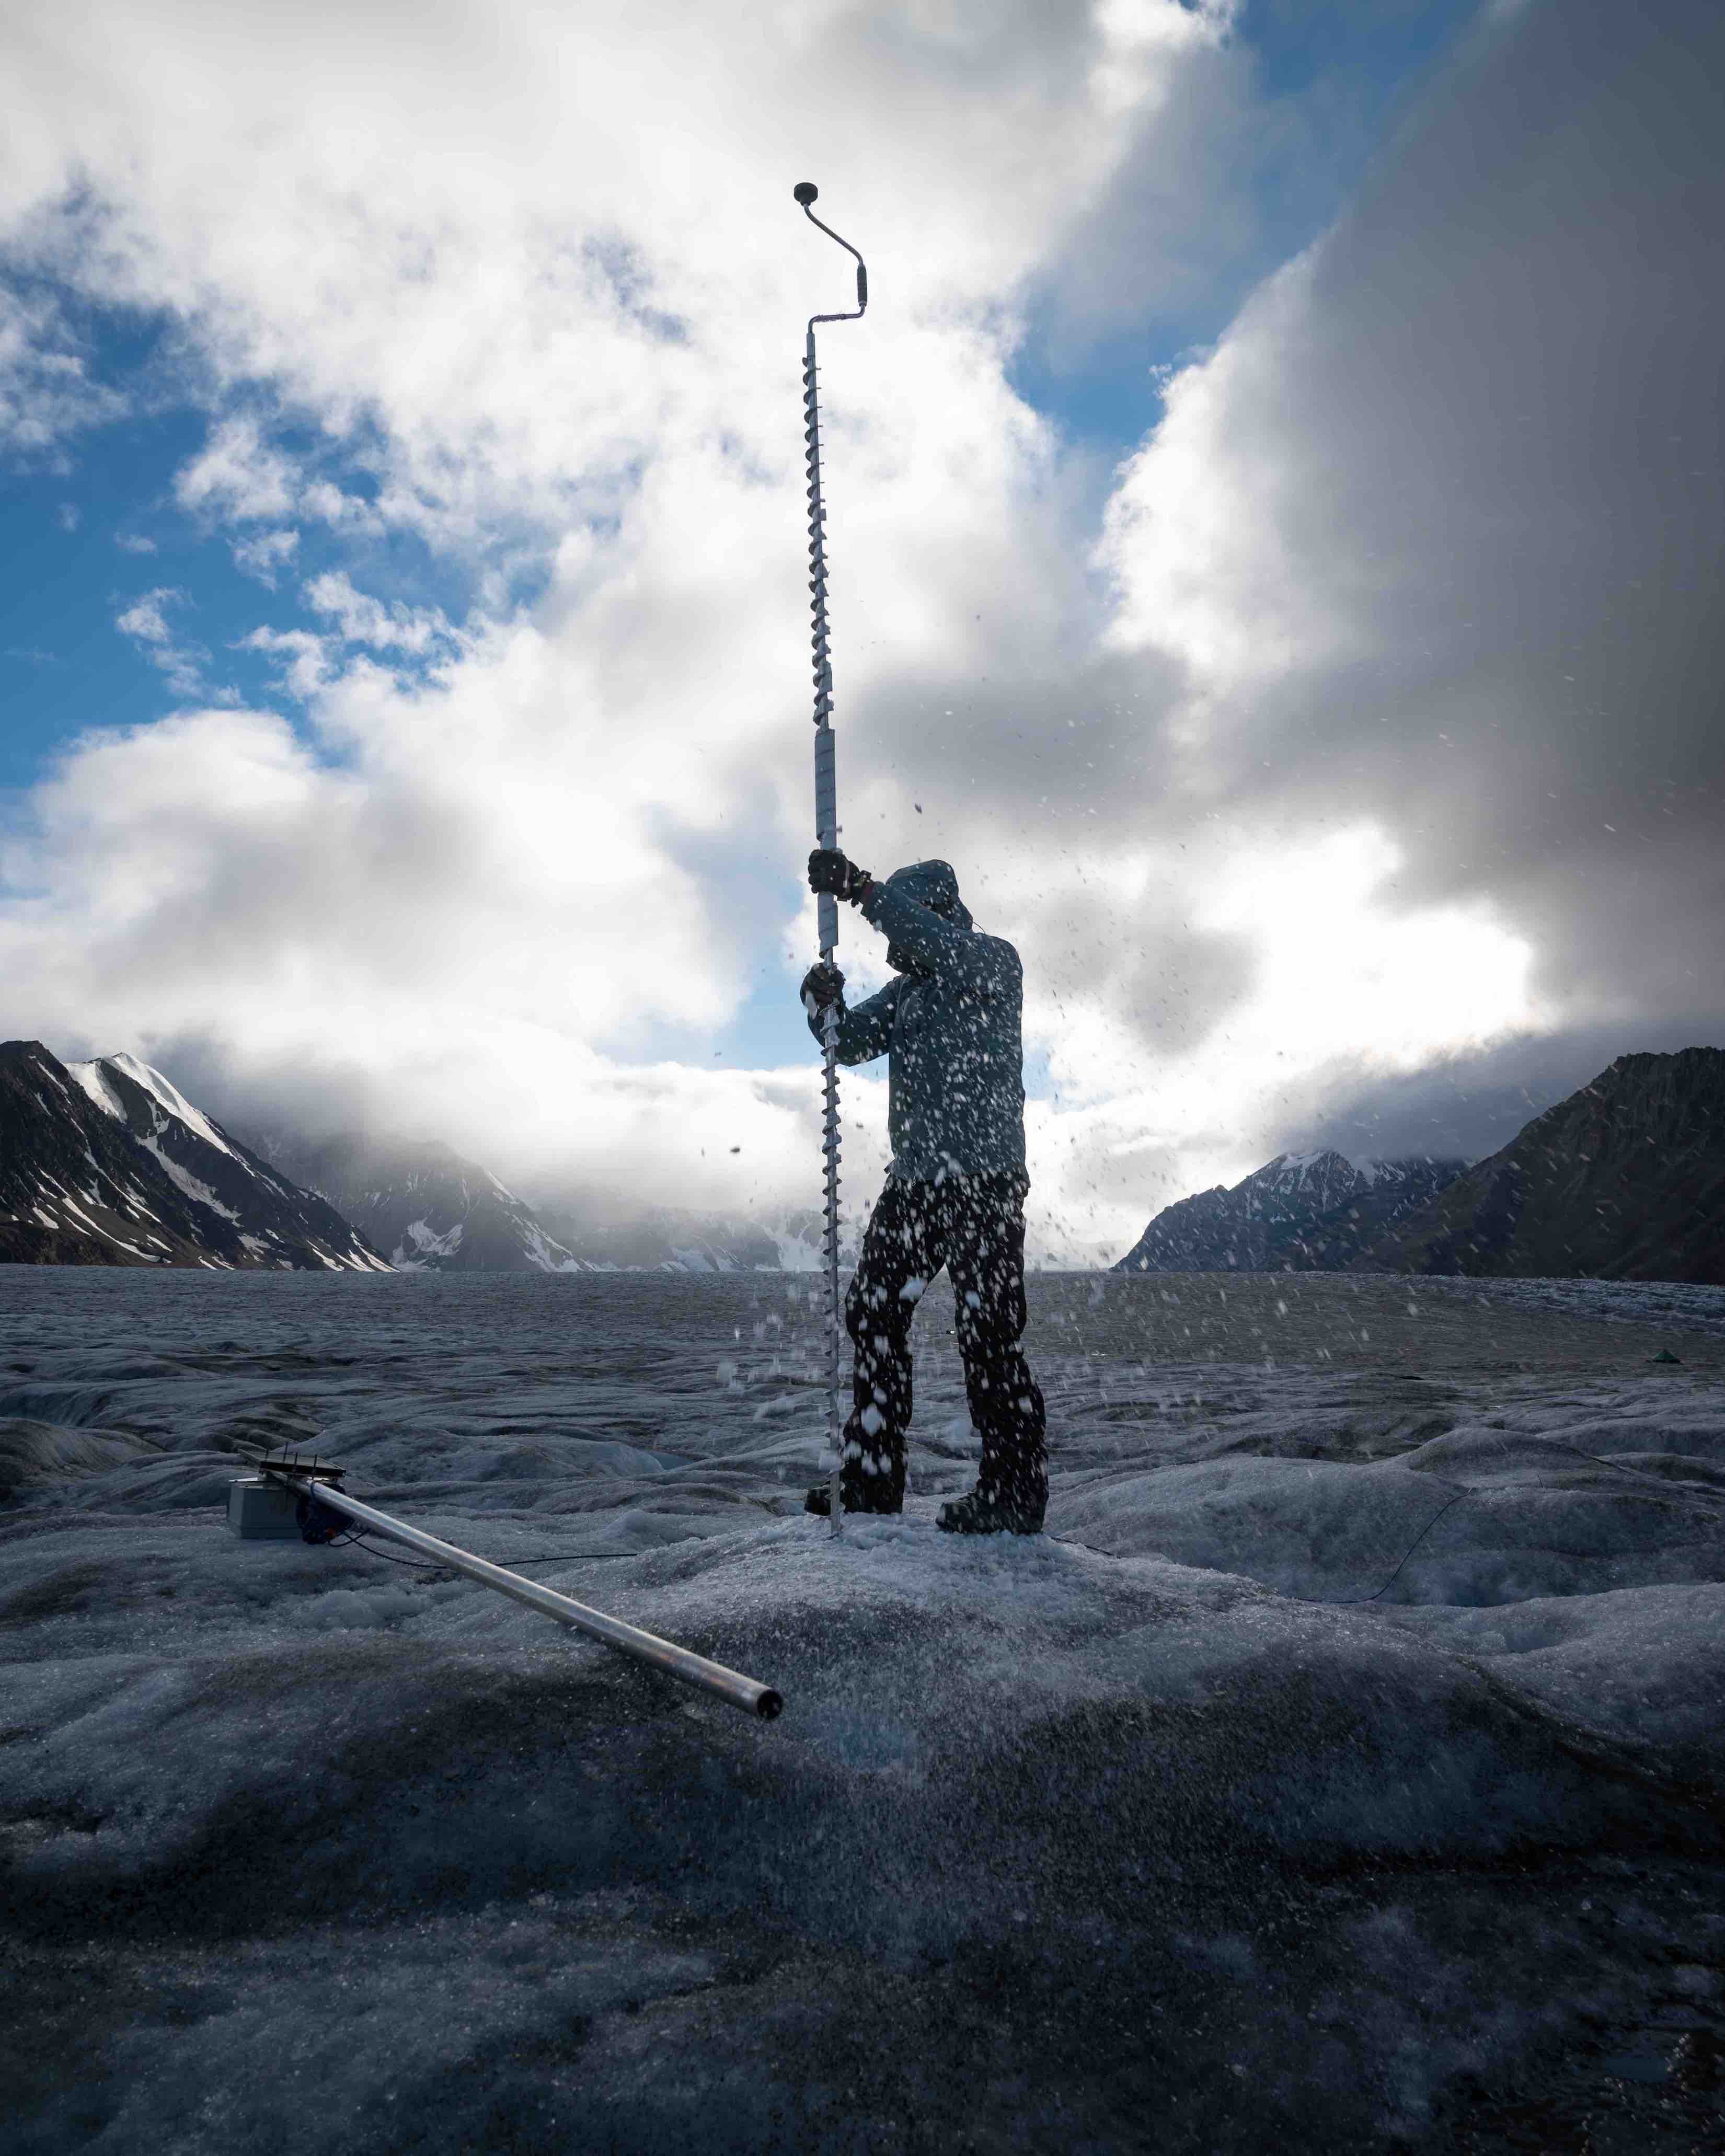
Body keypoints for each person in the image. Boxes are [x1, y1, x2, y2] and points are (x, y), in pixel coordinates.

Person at [799, 848, 1048, 1534]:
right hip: (916, 1183)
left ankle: (1014, 1490)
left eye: (908, 927)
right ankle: (871, 1476)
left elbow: (923, 937)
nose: (897, 950)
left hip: (984, 1180)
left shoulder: (992, 963)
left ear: (935, 915)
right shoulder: (908, 996)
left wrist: (859, 890)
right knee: (873, 1313)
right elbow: (843, 1042)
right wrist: (820, 1002)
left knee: (988, 1330)